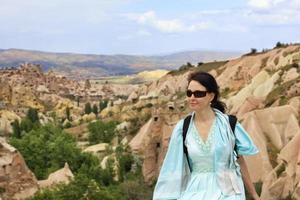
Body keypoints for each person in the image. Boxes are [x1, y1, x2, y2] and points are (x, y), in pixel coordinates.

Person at [153, 71, 260, 200]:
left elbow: (240, 161)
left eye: (198, 94)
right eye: (189, 93)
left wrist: (254, 195)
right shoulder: (183, 128)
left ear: (211, 96)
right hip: (196, 191)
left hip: (228, 192)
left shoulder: (229, 125)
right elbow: (172, 167)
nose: (192, 97)